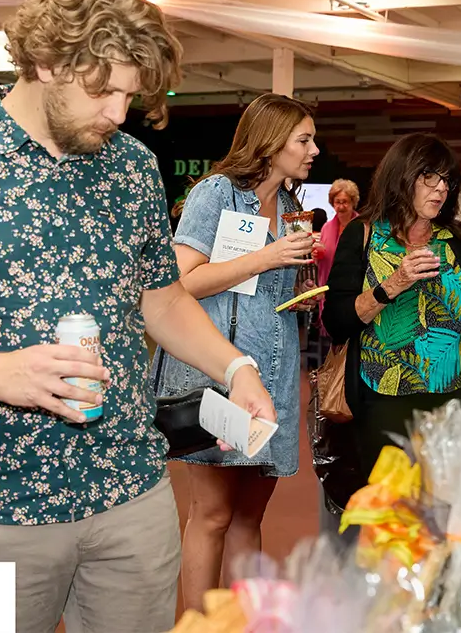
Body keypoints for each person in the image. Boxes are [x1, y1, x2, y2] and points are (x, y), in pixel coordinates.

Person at [0, 0, 276, 633]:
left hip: (130, 493)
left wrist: (235, 367)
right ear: (47, 61)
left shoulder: (132, 168)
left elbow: (162, 300)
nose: (117, 113)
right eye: (102, 90)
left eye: (129, 95)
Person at [150, 93, 319, 611]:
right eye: (304, 140)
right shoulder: (216, 193)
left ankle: (243, 620)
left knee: (249, 516)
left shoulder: (289, 207)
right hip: (218, 370)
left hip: (273, 371)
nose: (314, 150)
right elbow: (180, 282)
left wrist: (302, 289)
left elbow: (268, 294)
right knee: (213, 514)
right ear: (272, 142)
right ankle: (201, 622)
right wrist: (265, 257)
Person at [321, 133, 461, 477]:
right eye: (430, 177)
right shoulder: (363, 234)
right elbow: (336, 322)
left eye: (447, 180)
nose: (441, 188)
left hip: (451, 401)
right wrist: (393, 284)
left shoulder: (457, 241)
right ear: (401, 176)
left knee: (447, 503)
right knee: (391, 503)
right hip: (382, 400)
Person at [315, 179, 361, 287]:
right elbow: (321, 260)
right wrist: (316, 255)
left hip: (354, 287)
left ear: (353, 202)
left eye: (345, 202)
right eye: (337, 202)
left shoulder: (362, 226)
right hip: (328, 286)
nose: (341, 207)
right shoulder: (326, 228)